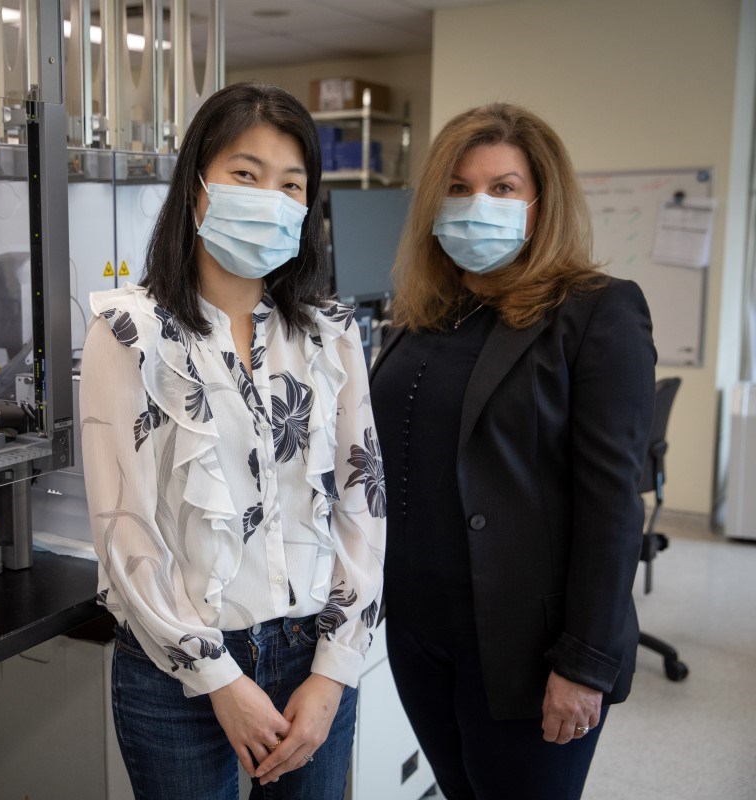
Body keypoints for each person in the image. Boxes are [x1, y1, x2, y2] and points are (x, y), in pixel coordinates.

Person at [79, 82, 386, 799]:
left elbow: (362, 506)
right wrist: (219, 678)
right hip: (174, 673)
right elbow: (124, 531)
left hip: (312, 657)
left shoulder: (331, 336)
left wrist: (335, 670)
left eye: (291, 185)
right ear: (197, 187)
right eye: (246, 174)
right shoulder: (128, 332)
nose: (269, 199)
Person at [369, 102, 655, 799]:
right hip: (418, 631)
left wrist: (585, 663)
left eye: (503, 187)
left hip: (530, 645)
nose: (477, 205)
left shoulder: (596, 311)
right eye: (458, 188)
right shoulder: (422, 315)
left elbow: (613, 505)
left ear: (540, 202)